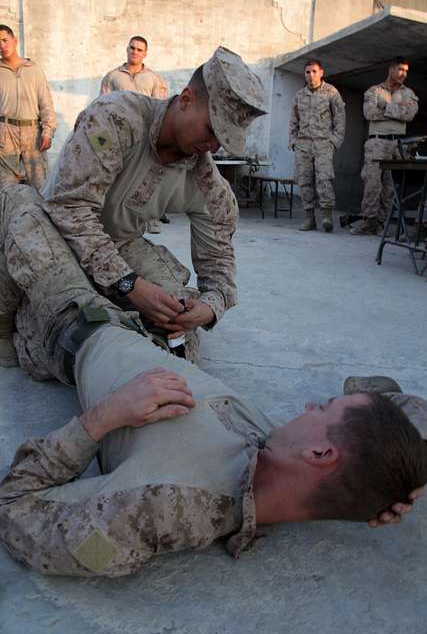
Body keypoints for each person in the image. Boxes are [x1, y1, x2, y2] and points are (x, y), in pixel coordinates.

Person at [0, 187, 425, 577]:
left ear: (320, 453)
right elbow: (377, 399)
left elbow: (14, 506)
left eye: (324, 410)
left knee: (24, 203)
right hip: (160, 334)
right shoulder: (279, 450)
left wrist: (103, 418)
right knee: (140, 255)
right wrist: (405, 474)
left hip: (73, 326)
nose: (311, 406)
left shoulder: (156, 507)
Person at [0, 46, 268, 368]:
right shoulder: (116, 118)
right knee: (21, 208)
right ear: (185, 99)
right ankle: (10, 327)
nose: (213, 146)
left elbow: (219, 260)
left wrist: (210, 306)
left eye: (223, 139)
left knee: (175, 312)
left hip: (119, 245)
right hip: (56, 232)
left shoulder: (206, 181)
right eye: (211, 130)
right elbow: (70, 209)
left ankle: (115, 346)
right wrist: (129, 285)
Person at [100, 35, 169, 234]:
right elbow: (103, 106)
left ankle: (150, 219)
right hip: (120, 136)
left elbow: (161, 108)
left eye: (139, 49)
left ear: (145, 53)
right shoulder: (113, 77)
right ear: (127, 49)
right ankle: (114, 217)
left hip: (146, 136)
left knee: (148, 178)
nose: (135, 52)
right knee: (119, 176)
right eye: (132, 48)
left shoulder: (154, 79)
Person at [351, 57, 419, 235]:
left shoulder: (408, 94)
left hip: (397, 144)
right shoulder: (374, 91)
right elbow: (369, 113)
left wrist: (386, 106)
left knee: (390, 187)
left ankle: (382, 223)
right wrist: (397, 109)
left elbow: (409, 115)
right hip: (377, 142)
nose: (403, 74)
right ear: (391, 70)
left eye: (406, 71)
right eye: (400, 69)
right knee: (372, 183)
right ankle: (368, 222)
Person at [289, 60, 345, 233]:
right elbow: (293, 120)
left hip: (323, 144)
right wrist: (293, 140)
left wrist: (334, 141)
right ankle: (309, 219)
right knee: (304, 181)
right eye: (307, 72)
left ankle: (327, 217)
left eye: (314, 71)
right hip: (303, 144)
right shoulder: (299, 95)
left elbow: (340, 119)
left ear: (321, 72)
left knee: (324, 179)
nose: (310, 75)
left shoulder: (331, 92)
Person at [0, 24, 56, 190]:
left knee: (40, 185)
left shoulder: (34, 69)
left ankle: (39, 216)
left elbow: (46, 103)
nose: (2, 45)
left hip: (33, 134)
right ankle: (7, 216)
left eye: (5, 40)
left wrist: (48, 131)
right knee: (6, 187)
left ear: (15, 41)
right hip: (5, 134)